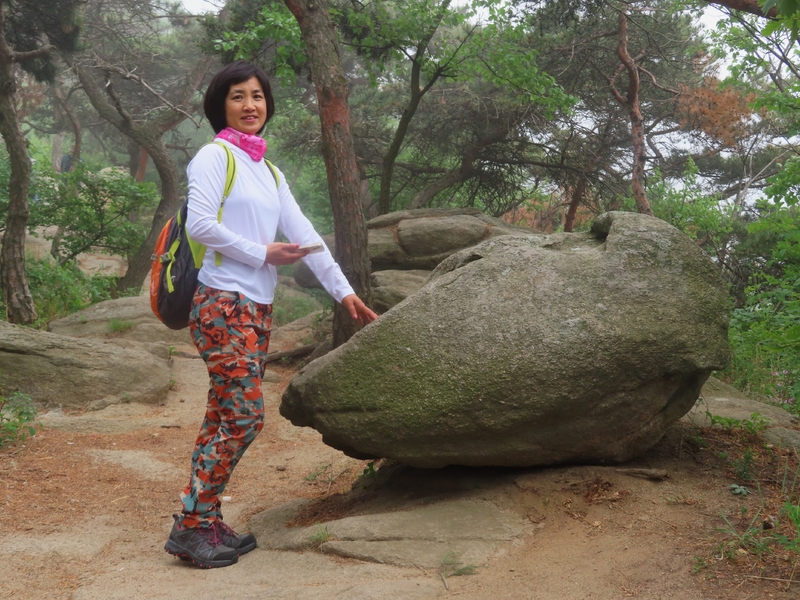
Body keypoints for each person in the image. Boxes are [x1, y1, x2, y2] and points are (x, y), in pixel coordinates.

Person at [164, 60, 378, 569]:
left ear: (268, 105)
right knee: (244, 416)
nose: (249, 105)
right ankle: (191, 526)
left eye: (257, 96)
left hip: (255, 309)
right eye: (238, 96)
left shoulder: (268, 170)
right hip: (222, 302)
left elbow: (305, 235)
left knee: (222, 414)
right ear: (221, 105)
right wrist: (263, 253)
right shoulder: (214, 157)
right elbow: (201, 225)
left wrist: (344, 292)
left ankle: (204, 517)